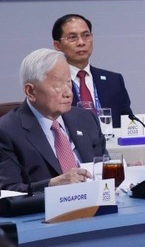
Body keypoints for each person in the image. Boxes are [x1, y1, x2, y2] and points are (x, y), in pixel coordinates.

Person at [0, 49, 106, 193]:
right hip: (43, 213)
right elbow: (8, 191)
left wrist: (127, 170)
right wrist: (51, 186)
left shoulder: (86, 119)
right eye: (57, 85)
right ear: (30, 91)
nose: (68, 93)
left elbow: (103, 167)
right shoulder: (7, 131)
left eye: (68, 82)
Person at [52, 14, 132, 127]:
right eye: (72, 37)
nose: (81, 42)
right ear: (57, 45)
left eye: (86, 35)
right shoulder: (52, 83)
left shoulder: (113, 81)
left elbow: (128, 121)